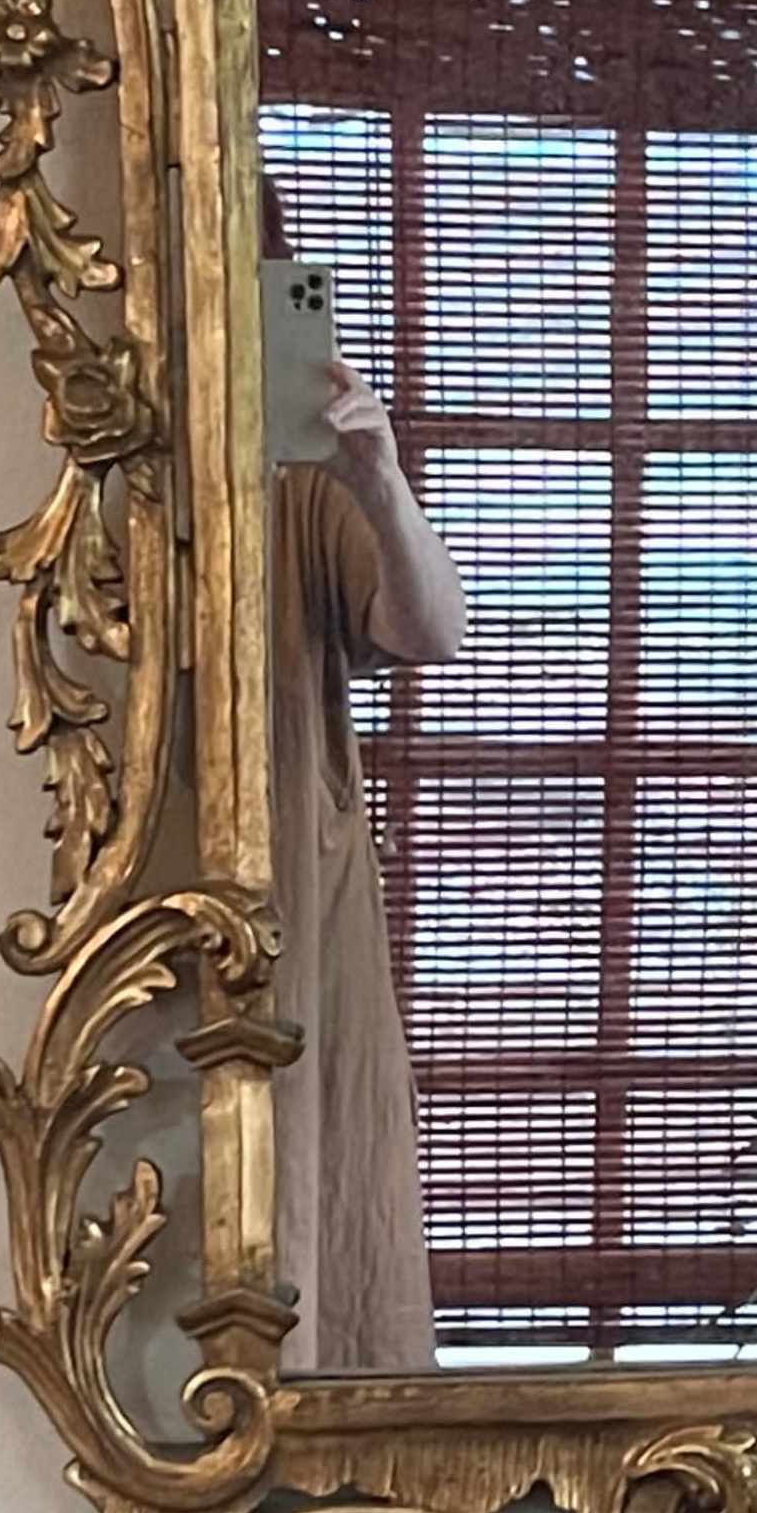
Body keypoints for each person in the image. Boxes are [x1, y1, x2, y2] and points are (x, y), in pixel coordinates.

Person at [272, 333, 469, 1369]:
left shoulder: (300, 480)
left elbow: (432, 629)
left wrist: (380, 482)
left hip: (296, 902)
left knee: (320, 1203)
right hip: (123, 895)